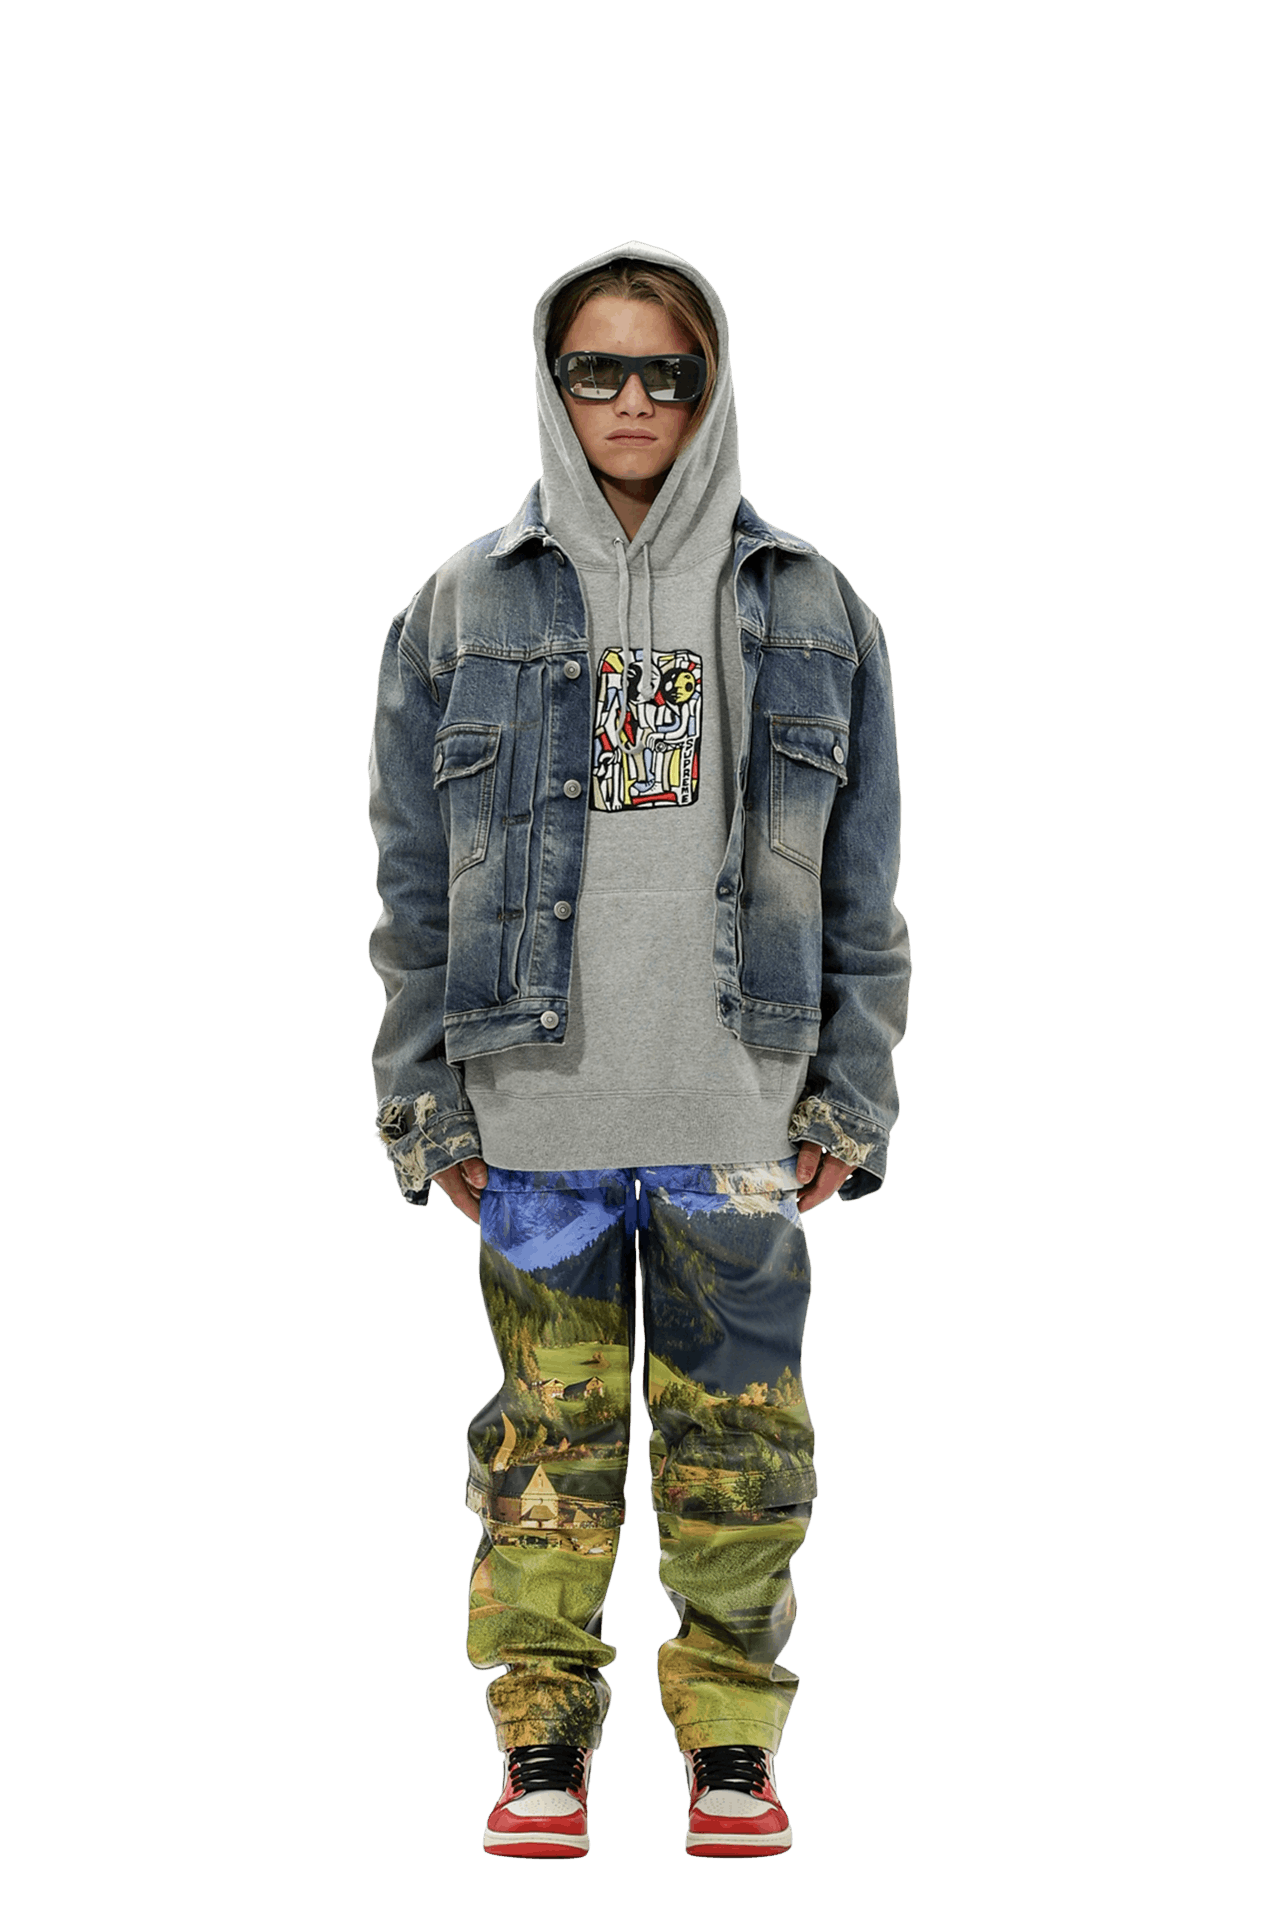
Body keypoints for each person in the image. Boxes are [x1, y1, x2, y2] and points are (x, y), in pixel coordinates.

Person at [368, 241, 910, 1860]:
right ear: (553, 383)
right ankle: (541, 1745)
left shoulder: (814, 603)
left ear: (712, 384)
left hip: (740, 1111)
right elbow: (408, 883)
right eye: (594, 370)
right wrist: (421, 1100)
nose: (628, 402)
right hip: (534, 1111)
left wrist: (854, 1092)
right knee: (545, 1447)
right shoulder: (458, 603)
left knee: (745, 1450)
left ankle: (734, 1745)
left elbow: (869, 883)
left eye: (664, 372)